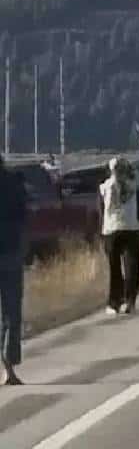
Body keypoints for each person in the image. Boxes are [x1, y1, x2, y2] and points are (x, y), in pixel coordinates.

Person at [99, 157, 139, 315]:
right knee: (132, 266)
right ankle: (130, 301)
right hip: (132, 228)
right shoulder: (135, 186)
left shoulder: (105, 188)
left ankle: (114, 302)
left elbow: (101, 211)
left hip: (111, 230)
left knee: (115, 269)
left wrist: (101, 232)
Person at [0, 155, 27, 385]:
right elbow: (24, 216)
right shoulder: (13, 183)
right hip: (10, 251)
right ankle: (8, 367)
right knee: (11, 313)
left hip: (10, 250)